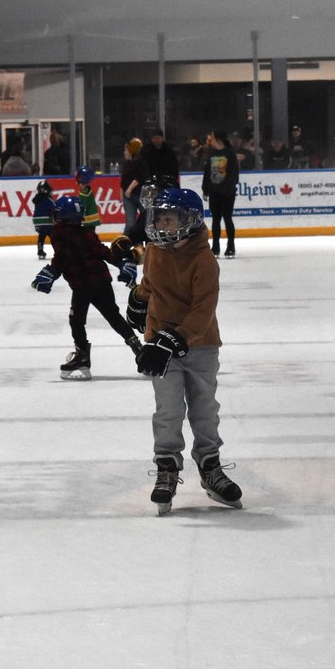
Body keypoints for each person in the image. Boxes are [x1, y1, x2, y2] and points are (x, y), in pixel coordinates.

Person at [128, 187, 241, 515]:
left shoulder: (203, 260)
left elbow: (203, 311)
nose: (162, 225)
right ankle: (167, 468)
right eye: (159, 218)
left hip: (201, 344)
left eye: (170, 218)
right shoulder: (154, 250)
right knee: (168, 409)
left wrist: (171, 342)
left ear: (189, 221)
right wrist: (138, 299)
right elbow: (151, 283)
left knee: (205, 409)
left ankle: (210, 467)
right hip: (160, 336)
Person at [31, 196, 141, 381]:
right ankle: (138, 348)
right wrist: (120, 262)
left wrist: (51, 272)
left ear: (63, 216)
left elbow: (63, 256)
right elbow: (102, 252)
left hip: (83, 285)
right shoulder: (87, 232)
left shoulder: (59, 233)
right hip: (102, 281)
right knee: (113, 316)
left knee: (76, 320)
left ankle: (82, 355)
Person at [202, 129, 240, 258]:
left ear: (218, 139)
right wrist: (205, 189)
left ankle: (231, 246)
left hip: (227, 192)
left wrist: (227, 189)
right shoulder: (212, 154)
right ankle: (216, 247)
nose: (210, 139)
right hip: (214, 192)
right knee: (215, 219)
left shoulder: (230, 154)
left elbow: (234, 174)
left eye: (212, 137)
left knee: (227, 218)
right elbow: (207, 173)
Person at [119, 138, 148, 241]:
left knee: (146, 218)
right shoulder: (126, 163)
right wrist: (122, 193)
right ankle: (125, 244)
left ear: (131, 150)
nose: (124, 151)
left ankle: (145, 241)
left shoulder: (141, 162)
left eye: (126, 149)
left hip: (140, 195)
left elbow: (140, 177)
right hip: (128, 197)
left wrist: (129, 189)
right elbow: (123, 180)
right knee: (130, 222)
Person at [33, 179, 55, 259]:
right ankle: (58, 249)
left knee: (41, 236)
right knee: (53, 236)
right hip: (47, 221)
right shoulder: (48, 200)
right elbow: (53, 209)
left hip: (37, 221)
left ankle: (40, 249)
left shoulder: (37, 199)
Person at [75, 165, 101, 229]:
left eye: (77, 175)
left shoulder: (85, 191)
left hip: (88, 222)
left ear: (81, 178)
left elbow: (83, 207)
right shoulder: (86, 189)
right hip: (89, 222)